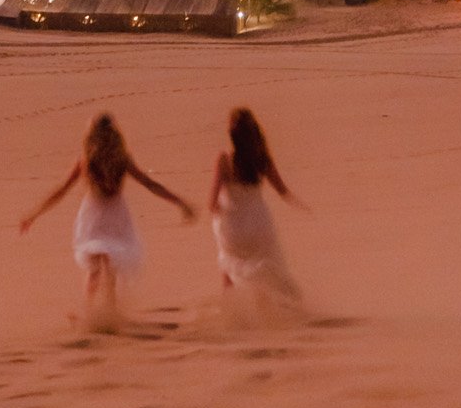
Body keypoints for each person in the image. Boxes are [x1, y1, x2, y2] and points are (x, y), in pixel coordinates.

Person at [20, 113, 194, 327]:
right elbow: (149, 183)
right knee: (110, 268)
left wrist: (34, 214)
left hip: (94, 215)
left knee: (95, 267)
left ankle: (90, 313)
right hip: (115, 215)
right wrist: (179, 202)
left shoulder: (86, 160)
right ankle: (109, 314)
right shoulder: (122, 159)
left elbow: (61, 190)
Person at [209, 107, 306, 310]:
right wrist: (302, 206)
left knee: (228, 262)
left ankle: (228, 308)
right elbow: (282, 191)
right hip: (259, 221)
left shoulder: (224, 159)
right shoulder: (262, 159)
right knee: (269, 262)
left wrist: (217, 211)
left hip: (233, 223)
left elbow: (212, 202)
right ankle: (275, 304)